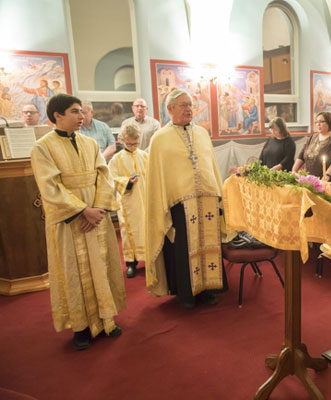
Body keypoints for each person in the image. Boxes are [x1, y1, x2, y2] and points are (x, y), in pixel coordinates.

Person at [30, 94, 125, 350]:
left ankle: (107, 318)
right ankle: (81, 327)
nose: (81, 116)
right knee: (74, 270)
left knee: (101, 265)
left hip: (97, 217)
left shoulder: (90, 143)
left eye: (82, 111)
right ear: (57, 116)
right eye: (75, 112)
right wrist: (83, 210)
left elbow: (104, 175)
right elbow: (50, 187)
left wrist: (99, 208)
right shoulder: (42, 148)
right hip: (71, 221)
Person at [145, 89, 228, 309]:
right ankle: (187, 292)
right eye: (183, 105)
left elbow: (211, 164)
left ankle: (209, 289)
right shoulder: (159, 139)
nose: (189, 109)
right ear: (170, 109)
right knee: (184, 247)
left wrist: (217, 192)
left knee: (209, 243)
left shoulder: (201, 133)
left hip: (207, 199)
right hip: (180, 203)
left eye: (190, 104)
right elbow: (157, 177)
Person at [108, 125, 148, 278]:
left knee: (146, 228)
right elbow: (111, 178)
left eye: (136, 144)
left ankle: (149, 259)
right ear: (122, 140)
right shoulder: (116, 160)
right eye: (129, 144)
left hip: (144, 199)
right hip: (128, 202)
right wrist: (127, 182)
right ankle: (131, 262)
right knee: (128, 230)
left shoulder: (144, 156)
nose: (133, 147)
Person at [292, 111, 331, 182]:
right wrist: (294, 170)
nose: (318, 124)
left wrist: (327, 175)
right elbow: (301, 155)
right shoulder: (313, 137)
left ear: (329, 122)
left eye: (321, 122)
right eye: (316, 122)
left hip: (328, 179)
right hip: (310, 178)